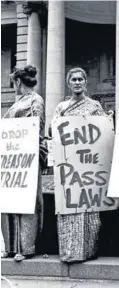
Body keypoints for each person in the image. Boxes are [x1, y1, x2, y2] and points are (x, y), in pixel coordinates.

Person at [52, 67, 111, 263]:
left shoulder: (94, 106)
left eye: (80, 79)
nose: (77, 82)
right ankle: (69, 252)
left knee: (89, 211)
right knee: (69, 209)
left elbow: (104, 133)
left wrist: (109, 121)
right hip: (69, 168)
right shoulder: (61, 108)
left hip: (89, 168)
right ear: (68, 83)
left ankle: (88, 251)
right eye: (73, 79)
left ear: (85, 82)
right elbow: (55, 136)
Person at [1, 65, 45, 262]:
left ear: (18, 82)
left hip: (27, 156)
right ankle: (10, 246)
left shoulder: (35, 100)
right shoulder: (20, 102)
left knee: (27, 201)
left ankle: (26, 246)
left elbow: (38, 126)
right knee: (9, 200)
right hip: (11, 158)